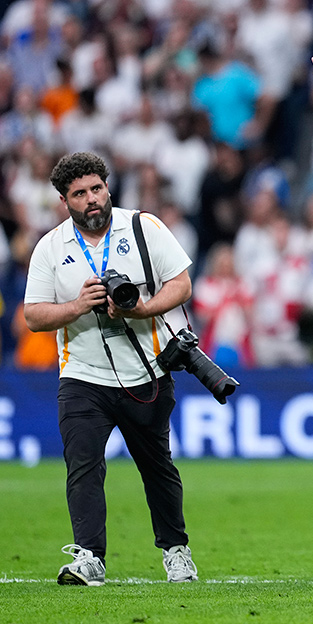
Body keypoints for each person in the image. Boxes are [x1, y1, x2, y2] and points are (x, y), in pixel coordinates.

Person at [23, 151, 197, 585]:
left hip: (146, 371)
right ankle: (88, 556)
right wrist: (77, 306)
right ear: (65, 201)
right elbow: (32, 315)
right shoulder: (50, 246)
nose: (91, 199)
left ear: (108, 187)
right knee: (82, 464)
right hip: (82, 373)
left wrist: (143, 309)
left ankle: (176, 550)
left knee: (157, 466)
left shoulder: (144, 226)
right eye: (79, 194)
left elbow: (182, 283)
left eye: (96, 188)